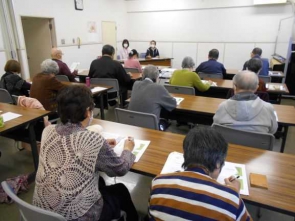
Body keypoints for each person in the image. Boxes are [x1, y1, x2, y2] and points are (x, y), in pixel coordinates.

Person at [33, 85, 138, 221]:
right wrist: (128, 149)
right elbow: (120, 169)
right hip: (79, 216)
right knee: (120, 190)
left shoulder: (47, 131)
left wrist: (102, 143)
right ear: (88, 111)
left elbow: (67, 146)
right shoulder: (93, 139)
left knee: (99, 182)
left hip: (41, 212)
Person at [149, 126, 252, 221]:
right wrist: (235, 194)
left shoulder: (157, 183)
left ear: (185, 155)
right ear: (218, 164)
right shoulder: (232, 199)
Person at [213, 71, 278, 134]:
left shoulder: (222, 106)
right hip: (257, 144)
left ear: (234, 87)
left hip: (227, 144)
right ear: (256, 88)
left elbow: (215, 127)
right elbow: (273, 130)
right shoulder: (268, 108)